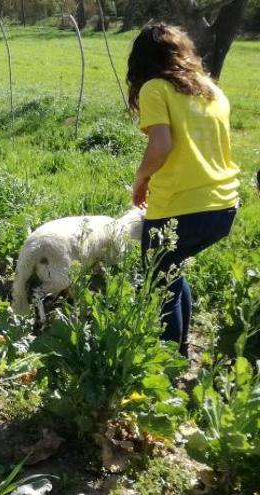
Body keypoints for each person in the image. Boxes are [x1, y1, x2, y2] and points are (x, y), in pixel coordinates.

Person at [127, 22, 240, 357]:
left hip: (180, 207)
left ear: (142, 60)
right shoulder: (211, 90)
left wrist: (140, 178)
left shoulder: (155, 89)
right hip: (224, 206)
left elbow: (160, 147)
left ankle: (167, 367)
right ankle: (183, 349)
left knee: (161, 282)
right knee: (171, 271)